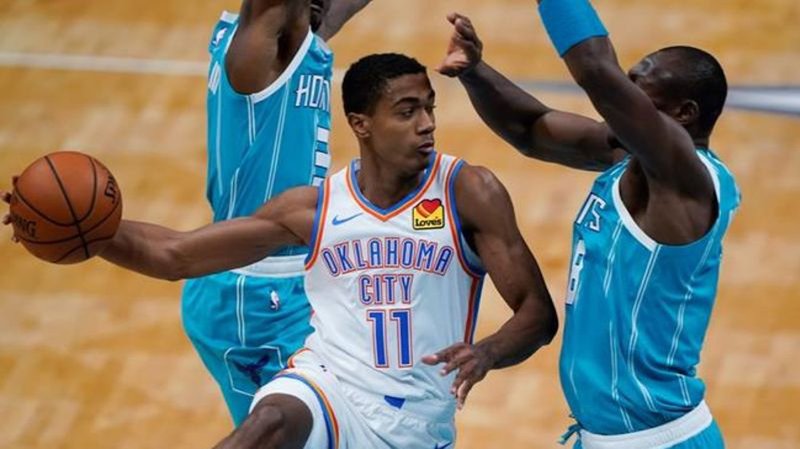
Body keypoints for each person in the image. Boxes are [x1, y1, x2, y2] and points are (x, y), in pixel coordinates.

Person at [3, 53, 558, 449]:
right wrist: (87, 230)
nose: (427, 124)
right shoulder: (314, 209)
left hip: (415, 423)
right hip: (330, 385)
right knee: (267, 422)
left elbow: (537, 313)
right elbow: (177, 255)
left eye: (429, 108)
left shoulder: (467, 192)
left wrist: (487, 353)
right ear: (361, 124)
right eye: (407, 111)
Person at [437, 4, 740, 448]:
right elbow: (531, 129)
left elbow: (596, 69)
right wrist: (475, 72)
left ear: (684, 113)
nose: (625, 94)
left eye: (637, 87)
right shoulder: (626, 157)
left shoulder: (684, 180)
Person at [188, 0, 372, 425]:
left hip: (290, 280)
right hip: (255, 294)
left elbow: (335, 11)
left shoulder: (300, 43)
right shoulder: (254, 55)